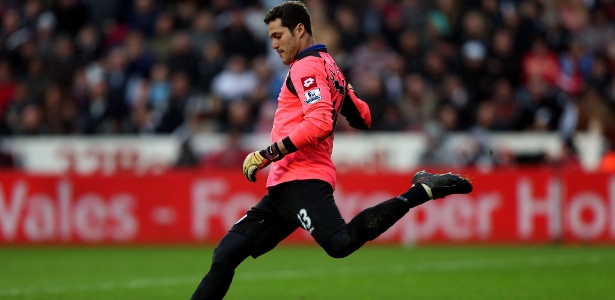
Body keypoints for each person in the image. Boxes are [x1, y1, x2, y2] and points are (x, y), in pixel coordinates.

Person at [190, 2, 473, 299]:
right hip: (283, 189)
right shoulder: (330, 67)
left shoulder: (305, 67)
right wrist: (343, 89)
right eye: (270, 38)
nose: (273, 45)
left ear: (299, 30)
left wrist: (266, 154)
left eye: (278, 35)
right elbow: (363, 117)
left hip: (302, 178)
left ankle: (421, 191)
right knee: (226, 253)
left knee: (340, 243)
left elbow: (320, 123)